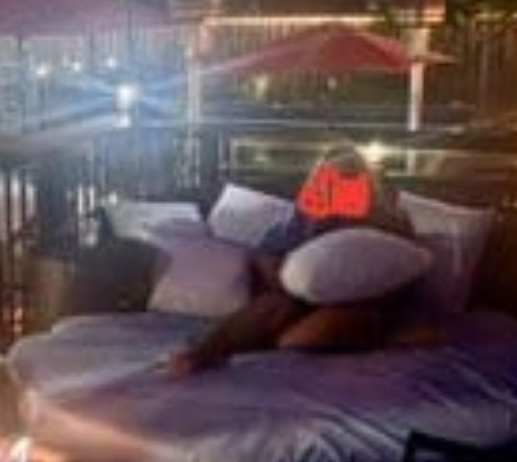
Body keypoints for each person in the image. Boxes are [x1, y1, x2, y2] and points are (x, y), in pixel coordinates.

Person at [169, 144, 412, 376]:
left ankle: (283, 346)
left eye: (349, 175)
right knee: (272, 307)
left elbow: (409, 267)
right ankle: (206, 352)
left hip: (362, 303)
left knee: (307, 335)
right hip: (298, 298)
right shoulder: (304, 215)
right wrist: (281, 275)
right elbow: (266, 252)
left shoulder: (391, 219)